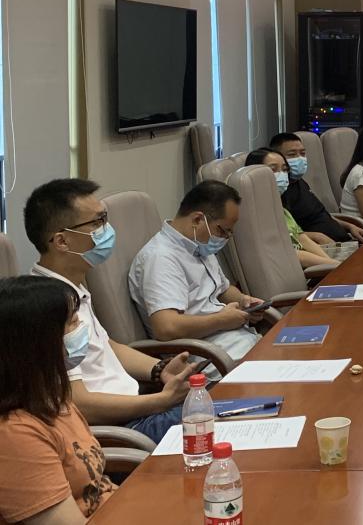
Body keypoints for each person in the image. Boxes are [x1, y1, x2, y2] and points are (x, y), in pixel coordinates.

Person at [24, 179, 195, 444]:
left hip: (137, 410)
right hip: (120, 430)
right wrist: (159, 401)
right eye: (97, 222)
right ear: (62, 241)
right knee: (217, 418)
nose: (107, 229)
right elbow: (79, 404)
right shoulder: (48, 307)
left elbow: (105, 346)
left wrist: (160, 369)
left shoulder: (70, 287)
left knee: (223, 405)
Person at [0, 276, 117, 523]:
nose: (81, 329)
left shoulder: (52, 398)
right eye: (72, 322)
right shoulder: (15, 434)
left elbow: (99, 488)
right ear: (39, 343)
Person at [129, 181, 264, 368]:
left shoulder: (199, 245)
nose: (225, 238)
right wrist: (221, 320)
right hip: (206, 357)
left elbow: (222, 290)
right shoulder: (161, 258)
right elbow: (166, 327)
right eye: (222, 230)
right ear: (197, 219)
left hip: (235, 343)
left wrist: (244, 301)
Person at [245, 149, 340, 269]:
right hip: (291, 270)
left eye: (284, 170)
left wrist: (333, 263)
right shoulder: (255, 215)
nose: (282, 175)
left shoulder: (282, 210)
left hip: (313, 266)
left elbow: (302, 239)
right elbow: (291, 254)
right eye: (273, 170)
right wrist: (335, 265)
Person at [268, 132, 363, 244]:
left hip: (344, 241)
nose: (299, 158)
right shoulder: (280, 190)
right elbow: (290, 232)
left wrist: (350, 226)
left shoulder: (299, 182)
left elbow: (320, 214)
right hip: (325, 247)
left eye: (302, 153)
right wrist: (318, 238)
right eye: (292, 154)